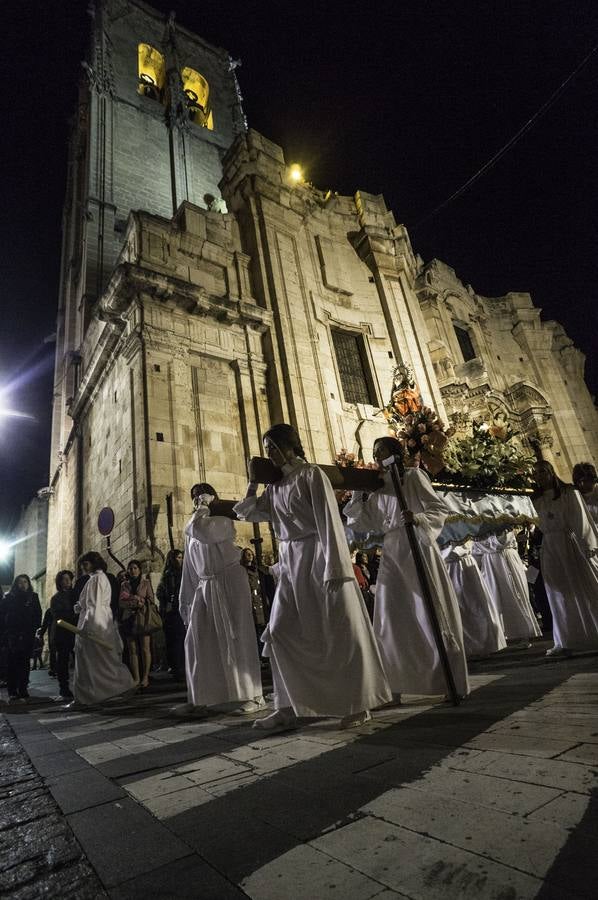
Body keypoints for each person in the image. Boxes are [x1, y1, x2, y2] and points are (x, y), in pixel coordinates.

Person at [234, 424, 391, 733]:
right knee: (279, 632)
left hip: (318, 556)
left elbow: (329, 521)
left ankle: (358, 703)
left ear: (289, 447)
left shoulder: (310, 475)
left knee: (337, 629)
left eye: (273, 448)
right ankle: (287, 705)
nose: (270, 455)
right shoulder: (276, 486)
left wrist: (336, 568)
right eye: (267, 451)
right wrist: (253, 483)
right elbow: (250, 511)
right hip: (291, 564)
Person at [344, 437, 469, 700]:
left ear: (396, 453)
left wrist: (418, 517)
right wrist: (357, 491)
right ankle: (396, 683)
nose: (378, 458)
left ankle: (449, 681)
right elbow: (364, 522)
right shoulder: (378, 488)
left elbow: (438, 508)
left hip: (417, 544)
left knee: (431, 608)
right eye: (375, 454)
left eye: (382, 452)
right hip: (392, 549)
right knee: (391, 614)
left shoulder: (413, 477)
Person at [176, 482, 264, 717]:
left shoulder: (222, 520)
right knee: (197, 640)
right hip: (206, 586)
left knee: (237, 637)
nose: (197, 499)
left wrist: (206, 506)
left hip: (229, 582)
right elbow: (189, 568)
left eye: (201, 495)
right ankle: (201, 697)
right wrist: (186, 602)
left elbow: (203, 531)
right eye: (193, 496)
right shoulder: (192, 526)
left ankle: (253, 695)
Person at [532, 460, 598, 657]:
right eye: (535, 473)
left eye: (543, 471)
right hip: (551, 547)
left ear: (552, 472)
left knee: (582, 586)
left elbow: (581, 521)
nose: (539, 476)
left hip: (570, 544)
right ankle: (568, 637)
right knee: (559, 592)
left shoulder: (570, 493)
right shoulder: (536, 500)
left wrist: (588, 547)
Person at [72, 551, 135, 706]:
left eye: (86, 564)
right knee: (102, 661)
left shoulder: (97, 579)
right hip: (101, 623)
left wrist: (88, 628)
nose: (83, 568)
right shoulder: (96, 579)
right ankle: (104, 691)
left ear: (94, 563)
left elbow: (95, 606)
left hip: (95, 625)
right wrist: (80, 607)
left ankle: (96, 694)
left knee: (95, 662)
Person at [472, 531, 542, 644]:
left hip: (507, 560)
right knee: (494, 599)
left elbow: (500, 542)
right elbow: (476, 549)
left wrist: (485, 544)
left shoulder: (503, 526)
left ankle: (522, 632)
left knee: (515, 595)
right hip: (489, 564)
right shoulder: (477, 530)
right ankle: (501, 633)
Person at [441, 541, 507, 658]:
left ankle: (482, 644)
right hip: (452, 568)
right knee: (461, 609)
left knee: (473, 607)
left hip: (460, 567)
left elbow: (456, 550)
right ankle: (469, 646)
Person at [0, 575, 42, 702]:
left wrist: (33, 628)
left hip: (28, 634)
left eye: (25, 582)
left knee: (25, 663)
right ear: (15, 584)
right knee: (12, 662)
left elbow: (38, 614)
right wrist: (6, 632)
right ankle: (12, 690)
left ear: (28, 583)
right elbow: (2, 615)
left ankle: (23, 688)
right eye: (19, 582)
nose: (22, 584)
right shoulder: (8, 598)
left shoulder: (33, 597)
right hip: (12, 634)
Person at [118, 560, 155, 688]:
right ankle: (136, 678)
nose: (133, 570)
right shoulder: (124, 585)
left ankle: (145, 677)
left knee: (145, 649)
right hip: (128, 619)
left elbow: (151, 600)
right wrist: (133, 603)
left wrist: (141, 602)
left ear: (139, 570)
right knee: (132, 650)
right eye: (130, 568)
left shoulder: (146, 583)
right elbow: (121, 603)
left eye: (135, 568)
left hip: (143, 619)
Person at [156, 549, 185, 680]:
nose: (181, 560)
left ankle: (177, 666)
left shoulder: (178, 573)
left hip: (177, 610)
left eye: (181, 557)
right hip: (174, 612)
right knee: (176, 640)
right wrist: (169, 602)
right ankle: (177, 667)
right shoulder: (170, 575)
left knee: (177, 639)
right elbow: (162, 592)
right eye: (178, 557)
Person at [50, 569, 77, 699]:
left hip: (76, 631)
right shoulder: (56, 598)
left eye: (69, 579)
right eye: (64, 579)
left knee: (79, 659)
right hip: (63, 632)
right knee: (63, 660)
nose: (67, 581)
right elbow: (58, 615)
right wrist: (73, 613)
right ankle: (64, 687)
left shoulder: (75, 595)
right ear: (59, 582)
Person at [241, 547, 269, 643]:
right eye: (247, 554)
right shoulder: (243, 571)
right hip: (252, 600)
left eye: (251, 554)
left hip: (260, 599)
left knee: (263, 623)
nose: (250, 556)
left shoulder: (257, 569)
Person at [38, 606, 56, 675]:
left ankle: (53, 669)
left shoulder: (49, 610)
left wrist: (41, 634)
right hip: (62, 632)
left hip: (52, 632)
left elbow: (45, 623)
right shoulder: (65, 608)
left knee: (53, 651)